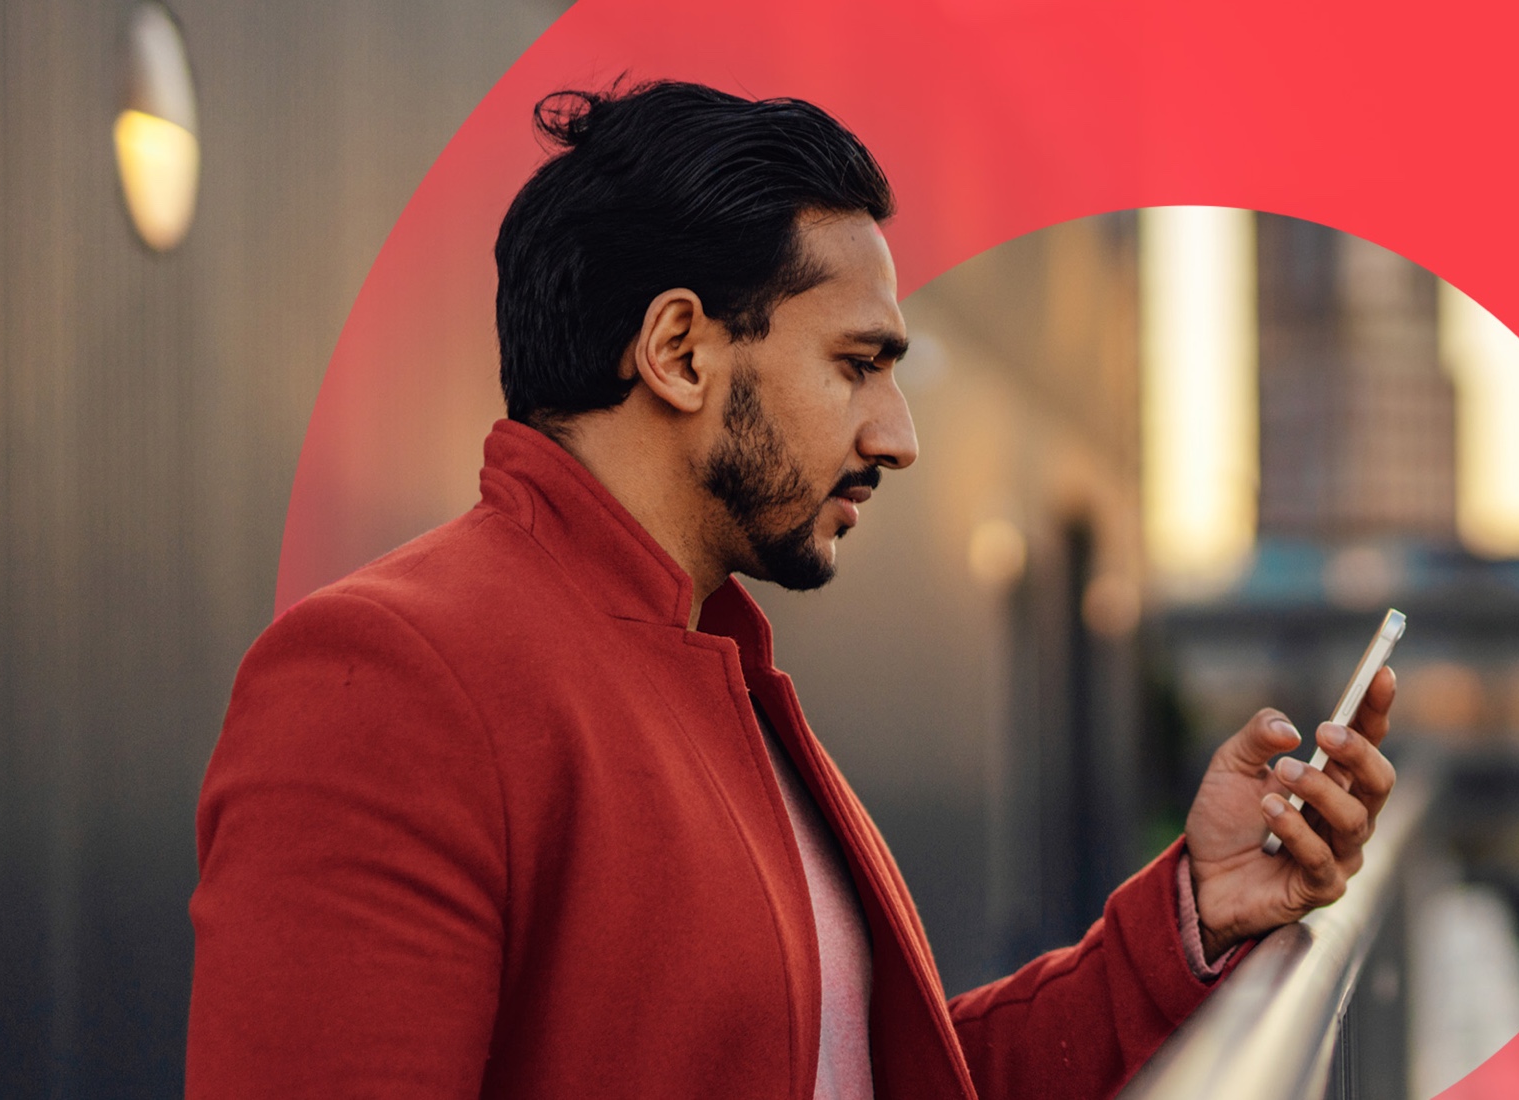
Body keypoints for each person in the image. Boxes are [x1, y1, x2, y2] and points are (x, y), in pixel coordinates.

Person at [183, 80, 1399, 1100]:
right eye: (857, 363)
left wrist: (1199, 910)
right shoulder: (390, 679)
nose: (899, 433)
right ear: (680, 351)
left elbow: (873, 1077)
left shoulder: (719, 667)